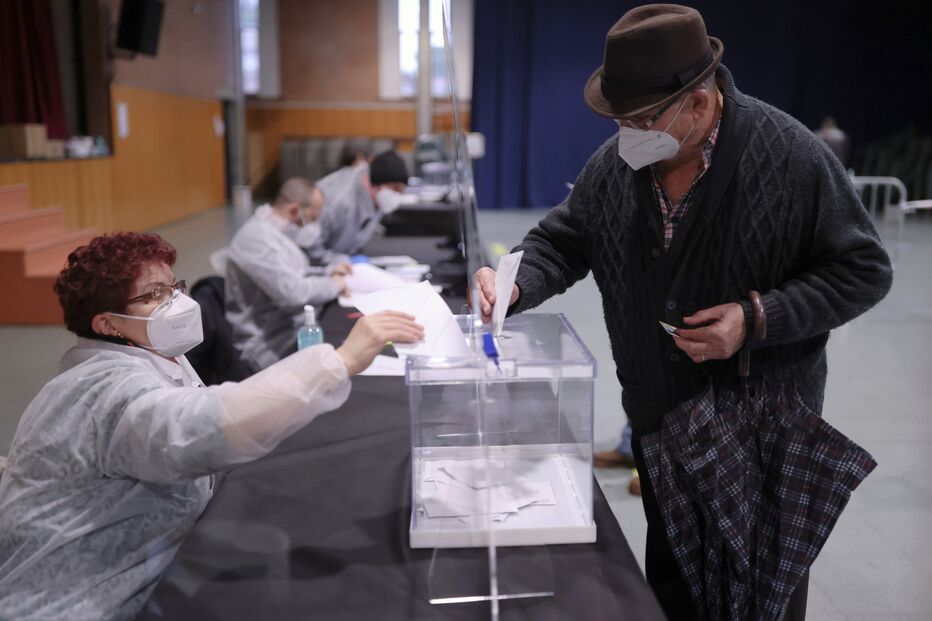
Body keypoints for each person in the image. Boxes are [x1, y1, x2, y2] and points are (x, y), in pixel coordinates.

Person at [473, 5, 892, 620]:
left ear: (699, 101)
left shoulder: (792, 158)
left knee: (758, 600)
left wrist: (754, 320)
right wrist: (514, 283)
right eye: (621, 121)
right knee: (672, 591)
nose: (629, 135)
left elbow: (864, 270)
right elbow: (563, 241)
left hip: (760, 436)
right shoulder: (621, 164)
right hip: (660, 426)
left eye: (643, 119)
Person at [0, 232, 423, 620]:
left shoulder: (145, 353)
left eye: (174, 287)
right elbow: (197, 427)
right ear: (107, 324)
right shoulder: (105, 390)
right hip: (72, 602)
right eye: (154, 296)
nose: (176, 303)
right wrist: (340, 362)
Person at [226, 177, 351, 371]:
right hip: (268, 346)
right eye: (311, 219)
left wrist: (327, 272)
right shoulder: (256, 239)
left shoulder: (273, 230)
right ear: (294, 211)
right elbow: (293, 293)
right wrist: (334, 284)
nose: (312, 227)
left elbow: (293, 272)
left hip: (288, 329)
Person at [308, 149, 410, 262]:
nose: (398, 195)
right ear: (378, 184)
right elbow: (310, 250)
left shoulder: (375, 194)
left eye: (402, 190)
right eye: (396, 188)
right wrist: (341, 261)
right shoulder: (340, 201)